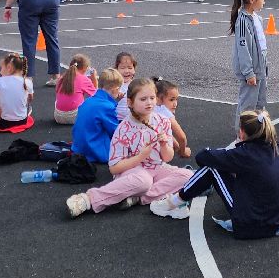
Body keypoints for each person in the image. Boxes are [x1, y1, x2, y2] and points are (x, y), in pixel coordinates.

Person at [152, 110, 279, 237]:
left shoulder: (244, 154)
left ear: (242, 132)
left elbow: (202, 157)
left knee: (212, 168)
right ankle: (176, 202)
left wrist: (231, 150)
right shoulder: (277, 147)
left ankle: (174, 203)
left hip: (254, 223)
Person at [65, 77, 191, 217]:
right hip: (132, 171)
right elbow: (114, 168)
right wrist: (141, 157)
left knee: (188, 176)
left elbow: (167, 157)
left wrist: (163, 145)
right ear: (130, 102)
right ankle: (88, 199)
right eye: (143, 99)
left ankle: (138, 197)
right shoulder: (124, 128)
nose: (149, 103)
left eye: (152, 98)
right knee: (144, 181)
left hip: (156, 169)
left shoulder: (162, 121)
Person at [230, 0, 269, 134]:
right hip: (251, 71)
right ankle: (241, 134)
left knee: (260, 103)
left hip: (260, 68)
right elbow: (242, 48)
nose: (264, 2)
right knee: (247, 105)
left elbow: (261, 46)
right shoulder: (243, 21)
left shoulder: (257, 18)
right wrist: (248, 72)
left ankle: (256, 132)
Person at [71, 68, 123, 164]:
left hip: (78, 147)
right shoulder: (107, 107)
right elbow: (116, 132)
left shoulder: (89, 100)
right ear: (115, 89)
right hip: (94, 150)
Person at [0, 52, 34, 128]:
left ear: (9, 67)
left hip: (4, 122)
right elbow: (30, 99)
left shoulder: (0, 81)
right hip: (22, 121)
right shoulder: (27, 82)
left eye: (1, 68)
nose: (0, 71)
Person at [54, 53, 96, 125]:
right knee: (91, 102)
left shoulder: (62, 77)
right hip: (75, 117)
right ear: (85, 68)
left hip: (58, 117)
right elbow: (96, 95)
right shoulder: (83, 79)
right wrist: (94, 78)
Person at [153, 78, 190, 158]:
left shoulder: (150, 108)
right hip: (159, 152)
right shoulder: (164, 112)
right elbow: (182, 137)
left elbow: (165, 132)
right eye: (171, 100)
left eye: (176, 99)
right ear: (158, 99)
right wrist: (183, 151)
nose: (175, 104)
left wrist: (177, 147)